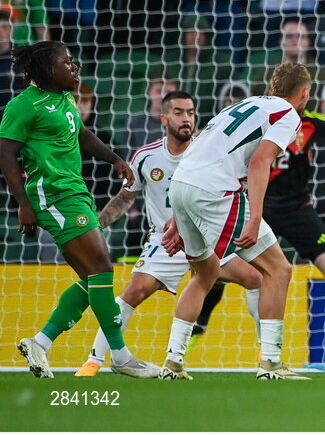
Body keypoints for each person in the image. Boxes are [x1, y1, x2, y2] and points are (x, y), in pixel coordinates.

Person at [191, 82, 325, 373]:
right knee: (224, 267)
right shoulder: (258, 120)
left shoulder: (312, 122)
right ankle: (201, 325)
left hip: (297, 208)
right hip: (257, 205)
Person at [74, 91, 262, 376]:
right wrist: (97, 227)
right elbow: (126, 198)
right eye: (178, 112)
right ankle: (95, 360)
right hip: (166, 242)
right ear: (164, 118)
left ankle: (265, 352)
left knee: (256, 278)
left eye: (190, 112)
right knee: (134, 291)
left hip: (208, 239)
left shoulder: (208, 150)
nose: (186, 118)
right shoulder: (146, 157)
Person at [0, 41, 159, 379]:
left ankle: (40, 342)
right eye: (66, 62)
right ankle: (119, 354)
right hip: (53, 197)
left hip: (76, 193)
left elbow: (82, 134)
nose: (74, 67)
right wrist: (23, 204)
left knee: (94, 278)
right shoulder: (22, 106)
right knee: (101, 268)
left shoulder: (66, 100)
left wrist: (115, 159)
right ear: (46, 70)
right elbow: (6, 155)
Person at [158, 63, 312, 380]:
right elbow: (259, 162)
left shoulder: (245, 104)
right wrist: (255, 217)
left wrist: (177, 212)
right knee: (278, 269)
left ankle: (172, 362)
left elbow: (198, 144)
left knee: (204, 274)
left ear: (272, 88)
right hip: (214, 188)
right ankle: (270, 362)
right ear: (304, 93)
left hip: (183, 182)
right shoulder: (288, 114)